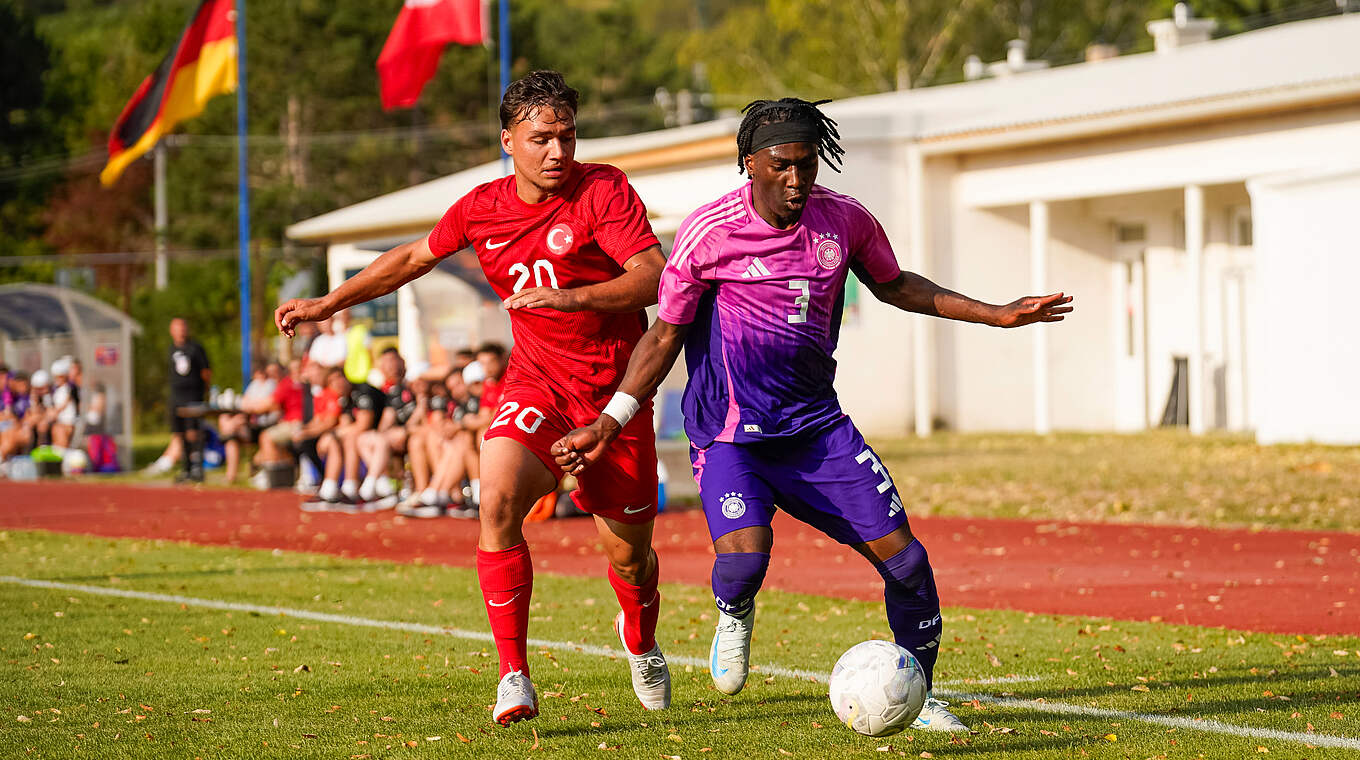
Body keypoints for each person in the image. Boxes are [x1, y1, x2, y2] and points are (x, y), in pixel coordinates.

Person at [553, 98, 1075, 733]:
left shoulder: (845, 222)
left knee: (908, 563)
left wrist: (995, 313)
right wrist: (608, 422)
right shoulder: (707, 231)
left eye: (808, 165)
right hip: (730, 437)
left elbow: (895, 285)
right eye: (783, 166)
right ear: (751, 165)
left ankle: (918, 691)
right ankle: (735, 609)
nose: (798, 180)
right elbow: (662, 337)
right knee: (745, 562)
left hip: (816, 432)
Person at [275, 70, 672, 724]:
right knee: (495, 501)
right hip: (537, 386)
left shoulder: (604, 189)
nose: (558, 153)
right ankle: (513, 675)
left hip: (614, 398)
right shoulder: (481, 209)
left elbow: (653, 277)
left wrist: (569, 298)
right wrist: (327, 303)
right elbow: (409, 259)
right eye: (542, 138)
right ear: (507, 141)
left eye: (567, 137)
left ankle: (640, 638)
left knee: (629, 559)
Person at [146, 317, 211, 481]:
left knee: (193, 432)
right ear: (171, 331)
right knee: (179, 434)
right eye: (177, 327)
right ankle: (186, 469)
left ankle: (197, 468)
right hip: (176, 397)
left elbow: (206, 372)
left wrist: (205, 392)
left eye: (183, 327)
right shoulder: (170, 349)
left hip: (193, 396)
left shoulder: (196, 348)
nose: (181, 330)